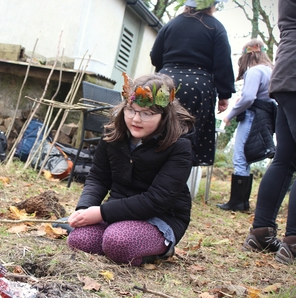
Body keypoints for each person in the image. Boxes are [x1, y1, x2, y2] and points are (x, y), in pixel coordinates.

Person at [66, 73, 195, 266]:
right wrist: (84, 210)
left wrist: (101, 213)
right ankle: (116, 240)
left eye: (146, 113)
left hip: (160, 218)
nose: (136, 119)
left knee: (118, 242)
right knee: (78, 239)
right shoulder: (112, 134)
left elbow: (156, 201)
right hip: (117, 212)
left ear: (164, 115)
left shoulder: (179, 147)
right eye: (131, 110)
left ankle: (159, 250)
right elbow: (98, 178)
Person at [150, 0, 235, 167]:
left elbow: (155, 56)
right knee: (187, 140)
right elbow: (222, 63)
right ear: (211, 5)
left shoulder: (171, 24)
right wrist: (224, 95)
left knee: (157, 133)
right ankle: (174, 186)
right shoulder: (216, 27)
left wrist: (166, 72)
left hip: (164, 83)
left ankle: (151, 184)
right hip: (198, 87)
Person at [243, 0, 296, 265]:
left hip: (287, 74)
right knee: (285, 160)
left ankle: (261, 232)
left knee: (285, 159)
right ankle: (293, 242)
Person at [217, 39, 277, 212]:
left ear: (248, 55)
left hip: (252, 117)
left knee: (241, 158)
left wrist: (230, 115)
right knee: (247, 157)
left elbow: (249, 97)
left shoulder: (255, 71)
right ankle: (241, 202)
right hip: (266, 117)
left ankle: (237, 202)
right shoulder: (271, 70)